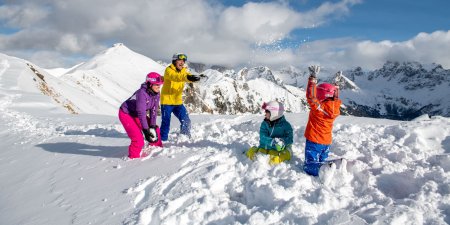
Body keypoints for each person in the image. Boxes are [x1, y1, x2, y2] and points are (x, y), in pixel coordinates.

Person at [303, 65, 342, 181]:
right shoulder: (335, 107)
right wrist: (336, 86)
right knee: (321, 161)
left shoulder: (319, 107)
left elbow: (310, 97)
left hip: (314, 140)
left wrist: (313, 78)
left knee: (309, 164)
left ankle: (324, 170)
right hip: (326, 142)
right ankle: (337, 165)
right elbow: (334, 98)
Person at [119, 72, 164, 159]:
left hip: (136, 114)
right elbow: (141, 113)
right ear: (150, 84)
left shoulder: (156, 93)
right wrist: (146, 130)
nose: (159, 87)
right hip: (126, 114)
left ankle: (157, 150)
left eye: (160, 85)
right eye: (157, 85)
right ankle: (133, 159)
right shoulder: (141, 93)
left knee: (155, 130)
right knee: (138, 139)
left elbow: (154, 111)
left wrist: (152, 126)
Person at [160, 53, 201, 141]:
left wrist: (197, 78)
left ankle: (184, 137)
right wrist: (187, 77)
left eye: (183, 61)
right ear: (174, 61)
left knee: (186, 120)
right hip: (166, 101)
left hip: (177, 102)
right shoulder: (168, 70)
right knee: (166, 122)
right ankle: (162, 140)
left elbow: (188, 77)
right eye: (180, 60)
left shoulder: (184, 71)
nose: (182, 63)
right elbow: (176, 77)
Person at [246, 101, 293, 165]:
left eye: (267, 112)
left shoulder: (286, 125)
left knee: (275, 160)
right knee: (256, 157)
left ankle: (288, 152)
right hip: (264, 147)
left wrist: (283, 142)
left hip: (279, 150)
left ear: (274, 113)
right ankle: (253, 150)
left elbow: (290, 139)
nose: (265, 114)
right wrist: (272, 142)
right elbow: (263, 137)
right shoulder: (265, 124)